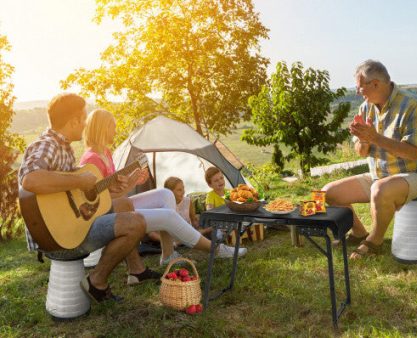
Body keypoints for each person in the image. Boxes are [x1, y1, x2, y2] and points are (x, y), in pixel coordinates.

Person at [18, 93, 150, 303]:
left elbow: (74, 196)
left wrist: (111, 186)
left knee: (124, 204)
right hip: (57, 239)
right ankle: (97, 281)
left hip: (71, 226)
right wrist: (80, 181)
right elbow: (30, 181)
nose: (85, 124)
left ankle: (136, 270)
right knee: (136, 223)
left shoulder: (65, 148)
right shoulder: (47, 145)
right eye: (84, 119)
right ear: (74, 121)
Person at [80, 109, 247, 265]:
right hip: (107, 215)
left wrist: (134, 180)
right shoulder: (92, 159)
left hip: (119, 205)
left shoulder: (106, 153)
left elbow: (117, 190)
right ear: (102, 128)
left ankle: (168, 255)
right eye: (112, 127)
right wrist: (130, 183)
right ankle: (215, 249)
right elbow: (101, 201)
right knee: (167, 216)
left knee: (166, 194)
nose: (115, 132)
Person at [322, 60, 417, 259]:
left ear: (375, 84)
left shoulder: (412, 105)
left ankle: (374, 241)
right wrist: (364, 141)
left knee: (379, 188)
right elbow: (361, 152)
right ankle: (358, 232)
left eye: (360, 86)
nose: (358, 92)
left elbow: (413, 153)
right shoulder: (366, 108)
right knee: (329, 192)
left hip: (415, 175)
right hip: (378, 176)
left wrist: (375, 138)